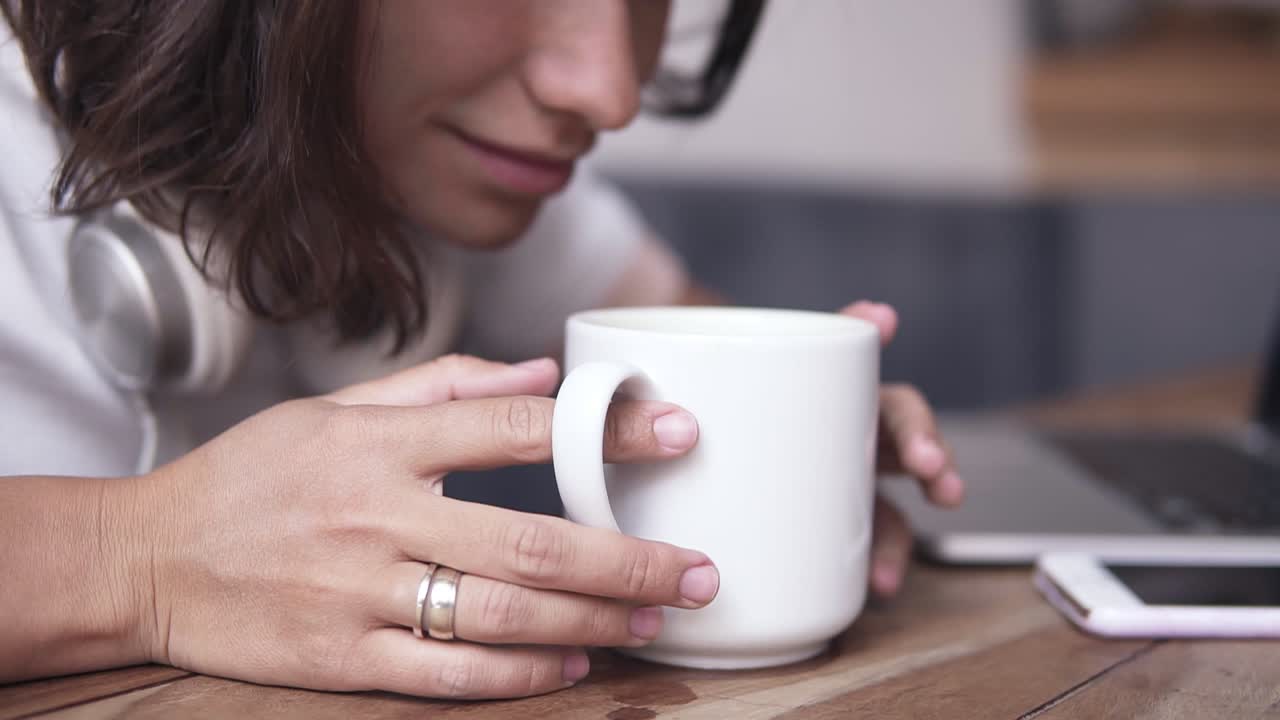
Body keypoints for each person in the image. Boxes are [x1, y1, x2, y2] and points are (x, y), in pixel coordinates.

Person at [0, 0, 964, 699]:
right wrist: (147, 556)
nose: (613, 91)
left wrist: (808, 447)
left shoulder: (447, 164)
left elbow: (690, 336)